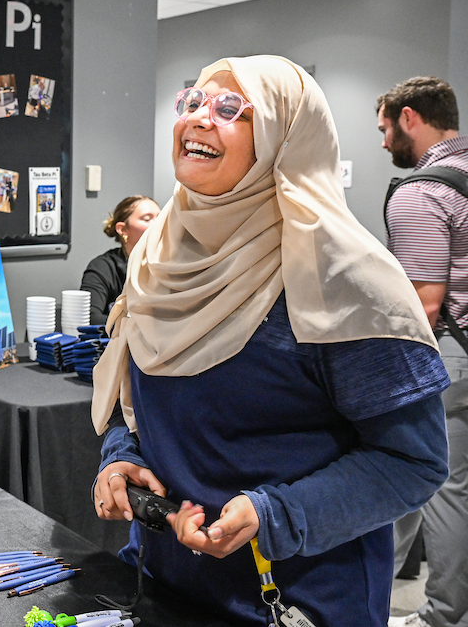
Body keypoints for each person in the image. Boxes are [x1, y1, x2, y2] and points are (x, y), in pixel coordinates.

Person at [90, 56, 450, 626]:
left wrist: (276, 514)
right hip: (164, 579)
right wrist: (121, 462)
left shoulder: (342, 274)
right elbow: (129, 401)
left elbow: (412, 461)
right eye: (194, 101)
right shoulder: (157, 256)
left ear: (285, 138)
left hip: (296, 597)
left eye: (231, 109)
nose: (201, 118)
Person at [377, 77, 468, 627]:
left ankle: (444, 617)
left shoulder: (421, 192)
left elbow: (422, 307)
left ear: (410, 117)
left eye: (386, 128)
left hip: (448, 357)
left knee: (437, 486)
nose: (384, 142)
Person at [80, 196, 159, 325]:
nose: (158, 224)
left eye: (160, 217)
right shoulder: (103, 267)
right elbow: (90, 316)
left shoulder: (170, 264)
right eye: (147, 219)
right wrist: (139, 328)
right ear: (122, 229)